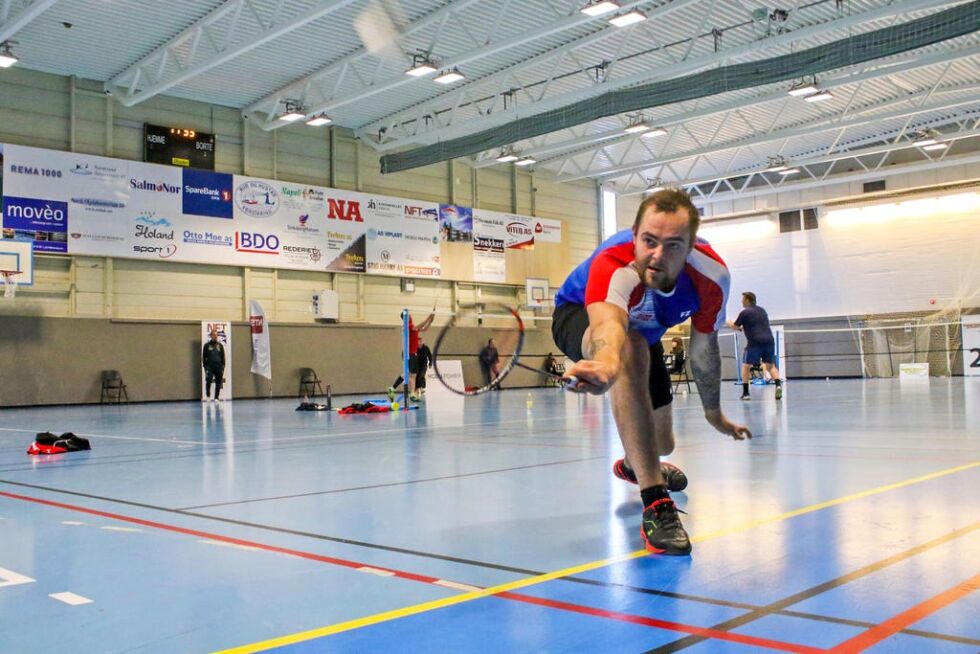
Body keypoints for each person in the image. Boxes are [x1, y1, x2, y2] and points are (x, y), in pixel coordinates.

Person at [553, 189, 751, 556]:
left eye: (673, 245)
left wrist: (714, 413)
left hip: (644, 338)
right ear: (634, 234)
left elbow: (704, 349)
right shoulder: (614, 263)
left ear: (690, 246)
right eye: (648, 241)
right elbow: (608, 330)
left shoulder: (711, 277)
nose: (657, 255)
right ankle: (656, 503)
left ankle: (633, 463)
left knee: (662, 444)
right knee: (630, 347)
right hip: (581, 317)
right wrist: (606, 366)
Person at [727, 291, 783, 401]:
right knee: (770, 366)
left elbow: (735, 326)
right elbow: (753, 325)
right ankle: (778, 385)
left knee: (746, 366)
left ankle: (746, 393)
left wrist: (729, 323)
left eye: (742, 299)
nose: (741, 301)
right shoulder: (762, 310)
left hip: (755, 343)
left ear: (747, 300)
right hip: (769, 341)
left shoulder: (745, 312)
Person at [406, 310, 434, 398]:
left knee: (413, 375)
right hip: (409, 353)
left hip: (413, 354)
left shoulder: (413, 327)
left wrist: (430, 322)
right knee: (411, 375)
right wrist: (428, 318)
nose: (411, 316)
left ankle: (412, 393)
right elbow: (421, 325)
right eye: (409, 315)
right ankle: (411, 393)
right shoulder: (408, 325)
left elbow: (424, 329)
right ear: (406, 318)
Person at [202, 329, 226, 402]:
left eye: (216, 335)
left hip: (218, 366)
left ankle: (216, 397)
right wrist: (205, 366)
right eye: (214, 335)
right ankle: (208, 395)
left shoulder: (220, 345)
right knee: (208, 380)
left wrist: (223, 366)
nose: (215, 336)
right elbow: (204, 357)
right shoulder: (206, 345)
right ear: (211, 336)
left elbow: (223, 356)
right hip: (209, 367)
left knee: (218, 382)